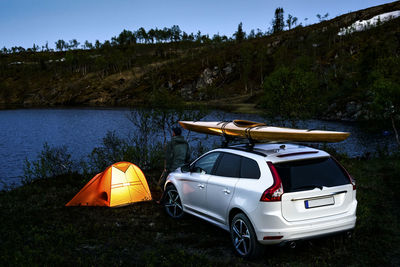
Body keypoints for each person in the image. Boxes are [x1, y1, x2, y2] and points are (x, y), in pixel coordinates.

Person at [157, 126, 190, 202]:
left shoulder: (171, 143)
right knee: (178, 185)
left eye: (173, 132)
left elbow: (168, 157)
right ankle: (171, 198)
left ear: (174, 133)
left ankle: (168, 199)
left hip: (172, 168)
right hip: (182, 168)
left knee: (162, 183)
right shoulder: (185, 143)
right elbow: (188, 156)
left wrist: (167, 168)